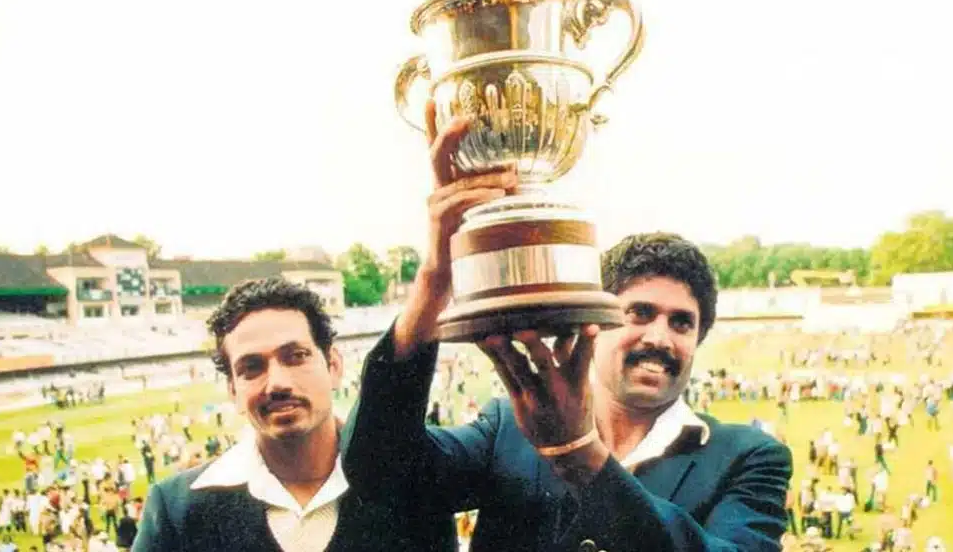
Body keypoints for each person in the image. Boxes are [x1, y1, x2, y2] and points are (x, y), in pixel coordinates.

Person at [342, 103, 794, 551]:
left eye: (682, 323)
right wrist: (435, 280)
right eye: (639, 313)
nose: (659, 337)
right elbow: (380, 473)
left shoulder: (747, 457)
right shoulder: (507, 429)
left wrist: (579, 452)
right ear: (594, 318)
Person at [132, 278, 455, 551]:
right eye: (251, 368)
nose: (278, 383)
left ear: (334, 366)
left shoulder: (412, 481)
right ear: (233, 390)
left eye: (296, 357)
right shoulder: (176, 508)